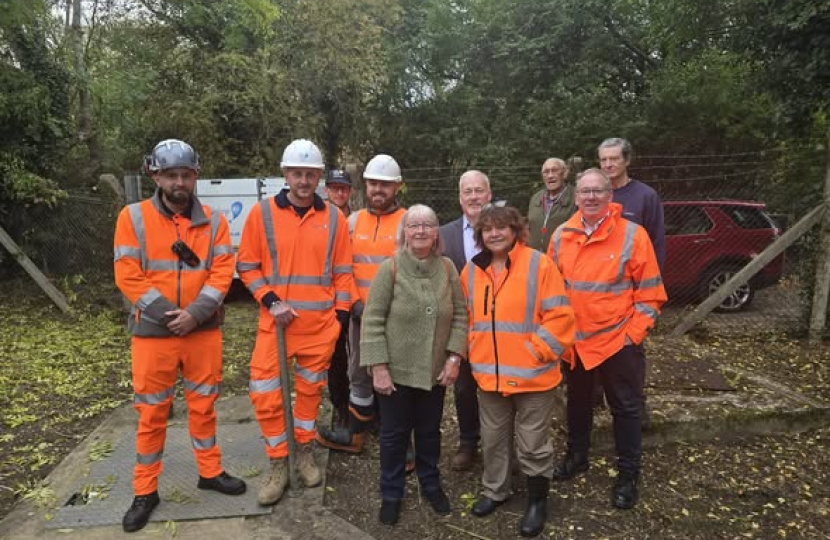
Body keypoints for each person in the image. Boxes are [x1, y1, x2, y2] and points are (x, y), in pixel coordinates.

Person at [114, 139, 246, 533]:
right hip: (153, 335)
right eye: (171, 175)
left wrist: (194, 314)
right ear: (154, 175)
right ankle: (145, 491)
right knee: (152, 413)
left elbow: (223, 272)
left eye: (186, 175)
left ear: (196, 176)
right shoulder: (132, 217)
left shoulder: (216, 222)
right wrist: (167, 315)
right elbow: (127, 272)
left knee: (204, 405)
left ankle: (210, 471)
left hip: (202, 331)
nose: (179, 182)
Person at [236, 139, 353, 506]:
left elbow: (343, 273)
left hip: (319, 328)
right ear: (285, 174)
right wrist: (271, 301)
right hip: (276, 326)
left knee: (309, 395)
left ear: (319, 177)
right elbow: (247, 266)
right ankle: (278, 463)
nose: (304, 180)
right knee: (265, 393)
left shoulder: (334, 218)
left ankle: (303, 453)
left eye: (310, 174)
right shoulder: (263, 214)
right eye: (297, 173)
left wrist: (339, 320)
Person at [547, 168, 666, 510]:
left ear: (610, 196)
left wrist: (633, 335)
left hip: (617, 342)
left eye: (598, 191)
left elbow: (651, 293)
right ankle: (577, 456)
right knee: (578, 402)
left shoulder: (633, 235)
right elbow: (552, 289)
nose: (591, 197)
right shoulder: (561, 235)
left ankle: (629, 474)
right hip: (576, 342)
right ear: (576, 197)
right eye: (584, 191)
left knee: (625, 408)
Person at [461, 204, 575, 538]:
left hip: (533, 377)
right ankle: (495, 491)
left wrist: (535, 351)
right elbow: (461, 317)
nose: (494, 234)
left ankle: (538, 501)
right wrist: (469, 351)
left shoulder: (540, 265)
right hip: (489, 378)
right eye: (487, 229)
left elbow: (561, 317)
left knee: (532, 444)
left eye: (502, 228)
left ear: (515, 231)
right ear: (480, 234)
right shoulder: (471, 271)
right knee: (494, 440)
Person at [359, 204, 468, 526]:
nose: (421, 231)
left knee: (429, 433)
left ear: (437, 232)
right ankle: (391, 492)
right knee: (393, 436)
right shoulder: (389, 268)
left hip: (434, 372)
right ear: (404, 231)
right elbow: (372, 320)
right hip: (395, 373)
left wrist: (454, 358)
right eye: (414, 225)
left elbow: (461, 316)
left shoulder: (447, 268)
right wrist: (378, 367)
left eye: (428, 225)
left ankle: (430, 484)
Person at [317, 154, 406, 453]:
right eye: (373, 184)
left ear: (397, 187)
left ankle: (399, 441)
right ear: (365, 186)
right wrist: (354, 304)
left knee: (396, 375)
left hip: (396, 318)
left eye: (385, 184)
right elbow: (344, 267)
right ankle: (356, 435)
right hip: (359, 314)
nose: (378, 189)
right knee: (358, 373)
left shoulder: (408, 222)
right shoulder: (353, 221)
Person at [598, 137, 666, 428]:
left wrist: (647, 292)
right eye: (603, 160)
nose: (608, 164)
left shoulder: (644, 196)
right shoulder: (594, 194)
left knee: (631, 352)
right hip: (596, 292)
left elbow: (656, 244)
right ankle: (595, 399)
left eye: (614, 159)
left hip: (631, 291)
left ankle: (636, 404)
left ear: (627, 160)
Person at [438, 169, 492, 471]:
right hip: (462, 326)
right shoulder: (444, 235)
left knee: (498, 388)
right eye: (467, 192)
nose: (473, 197)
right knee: (464, 388)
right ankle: (469, 442)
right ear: (460, 198)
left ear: (489, 195)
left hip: (498, 325)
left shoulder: (502, 230)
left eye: (479, 190)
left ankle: (500, 445)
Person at [323, 168, 353, 426]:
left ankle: (365, 406)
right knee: (336, 358)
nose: (339, 192)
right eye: (334, 188)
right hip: (328, 300)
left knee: (361, 355)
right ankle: (340, 407)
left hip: (356, 298)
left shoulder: (358, 220)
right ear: (326, 191)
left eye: (343, 188)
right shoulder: (320, 220)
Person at [527, 158, 577, 252]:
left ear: (564, 173)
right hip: (536, 259)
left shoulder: (576, 197)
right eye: (546, 172)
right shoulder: (535, 198)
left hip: (563, 257)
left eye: (554, 170)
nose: (550, 175)